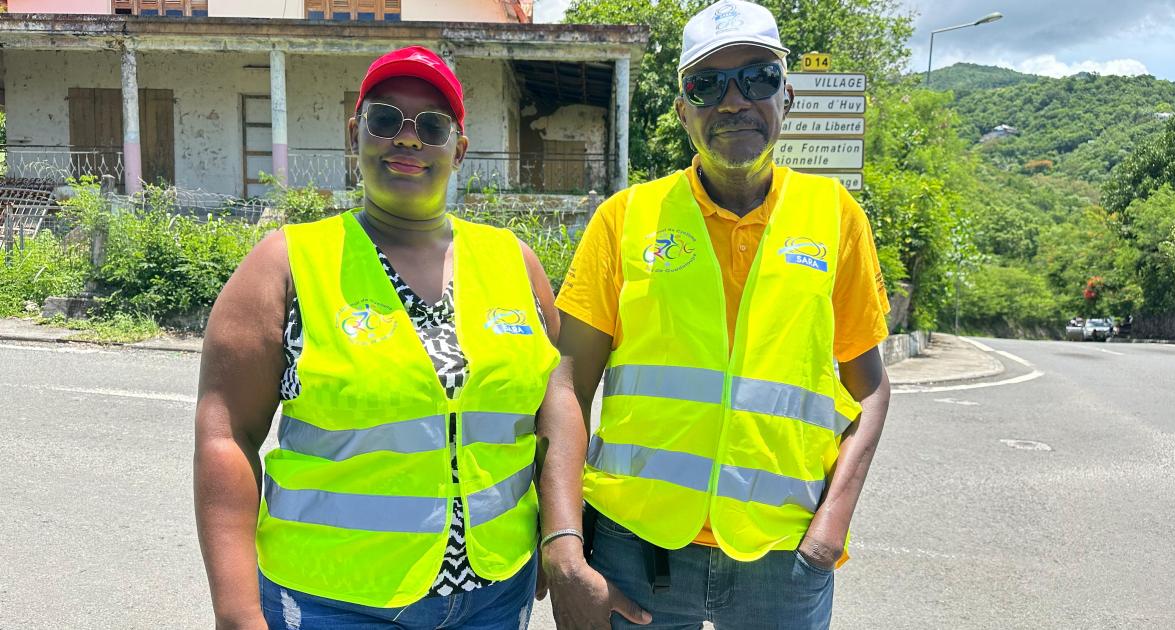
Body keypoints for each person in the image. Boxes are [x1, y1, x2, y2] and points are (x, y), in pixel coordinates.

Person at [194, 46, 588, 630]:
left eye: (431, 126)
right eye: (385, 119)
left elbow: (555, 402)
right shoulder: (289, 264)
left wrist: (560, 539)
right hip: (334, 600)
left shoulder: (513, 261)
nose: (407, 140)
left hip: (495, 594)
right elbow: (227, 434)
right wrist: (236, 610)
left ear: (459, 148)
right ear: (356, 133)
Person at [539, 1, 893, 628]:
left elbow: (870, 391)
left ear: (787, 96)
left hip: (781, 559)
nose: (732, 101)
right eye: (706, 84)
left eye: (756, 78)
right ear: (682, 112)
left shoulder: (836, 218)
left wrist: (832, 525)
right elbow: (568, 385)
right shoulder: (625, 220)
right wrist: (563, 542)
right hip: (635, 548)